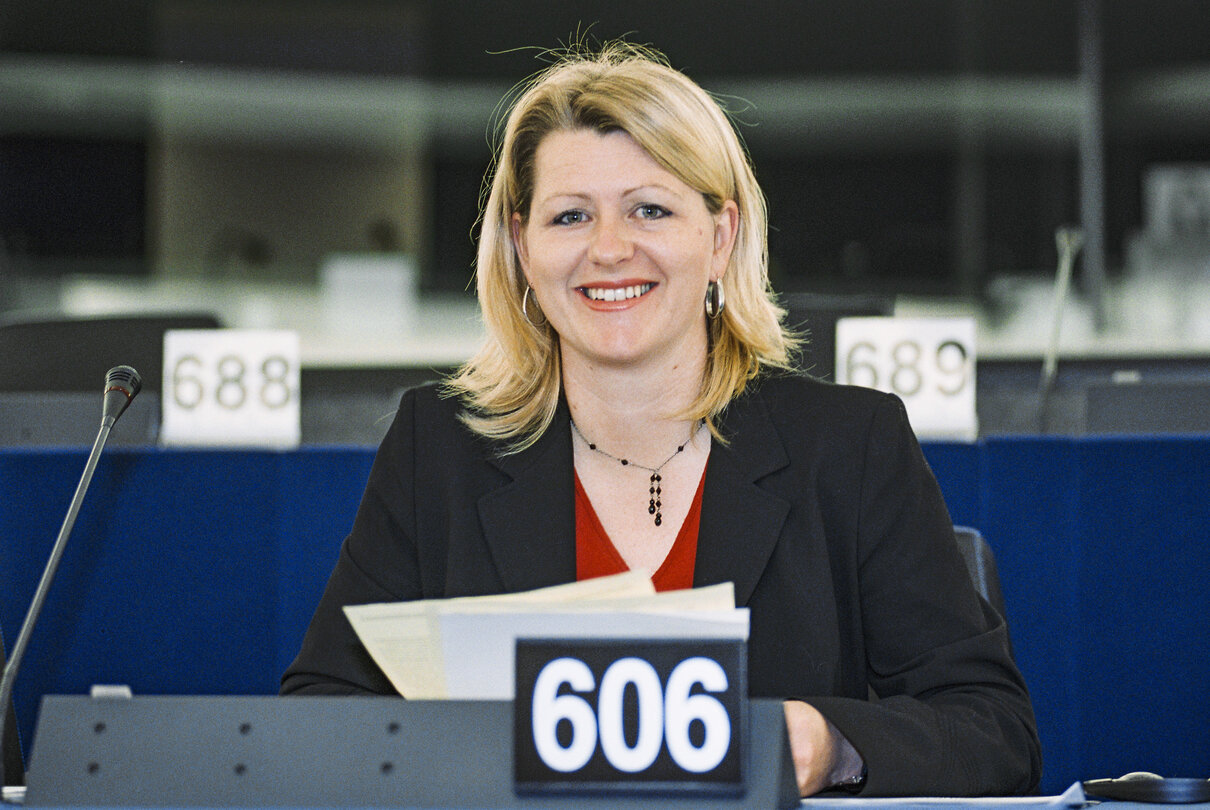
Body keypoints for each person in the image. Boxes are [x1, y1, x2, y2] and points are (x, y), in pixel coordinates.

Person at [282, 42, 1042, 797]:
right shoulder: (439, 448)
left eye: (650, 208)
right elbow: (319, 719)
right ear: (521, 246)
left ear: (721, 236)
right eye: (570, 216)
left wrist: (828, 742)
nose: (609, 249)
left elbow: (992, 732)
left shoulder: (849, 447)